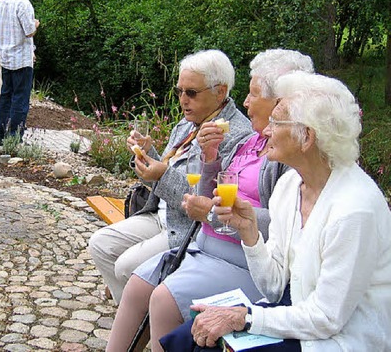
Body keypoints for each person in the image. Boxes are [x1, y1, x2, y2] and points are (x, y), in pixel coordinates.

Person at [162, 73, 391, 351]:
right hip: (296, 314)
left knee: (211, 345)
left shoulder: (354, 209)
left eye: (276, 122)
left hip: (337, 339)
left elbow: (327, 318)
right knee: (188, 336)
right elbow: (272, 288)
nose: (266, 131)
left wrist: (245, 317)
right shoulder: (290, 185)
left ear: (306, 137)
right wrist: (250, 234)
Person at [105, 49, 315, 351]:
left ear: (281, 103)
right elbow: (204, 196)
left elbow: (286, 224)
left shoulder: (281, 152)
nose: (245, 102)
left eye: (253, 94)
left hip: (240, 258)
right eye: (180, 91)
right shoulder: (248, 140)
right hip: (201, 241)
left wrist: (213, 212)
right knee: (136, 283)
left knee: (161, 297)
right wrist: (210, 159)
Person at [89, 49, 254, 306]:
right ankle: (134, 316)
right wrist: (146, 154)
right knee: (100, 244)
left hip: (189, 226)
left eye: (191, 93)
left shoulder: (234, 134)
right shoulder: (187, 125)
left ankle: (140, 323)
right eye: (179, 91)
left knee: (125, 267)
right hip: (160, 213)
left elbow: (205, 200)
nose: (182, 100)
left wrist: (162, 173)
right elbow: (160, 177)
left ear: (220, 92)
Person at [0, 0, 39, 145]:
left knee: (5, 97)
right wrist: (36, 24)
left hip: (6, 56)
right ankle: (14, 137)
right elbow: (29, 31)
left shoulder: (1, 3)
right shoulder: (23, 3)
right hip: (21, 58)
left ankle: (0, 135)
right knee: (20, 98)